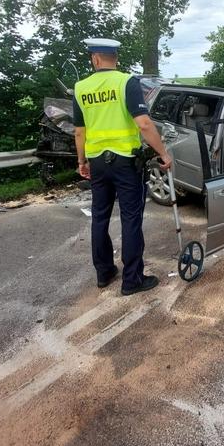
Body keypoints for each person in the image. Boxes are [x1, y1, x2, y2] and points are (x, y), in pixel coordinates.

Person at [73, 38, 172, 293]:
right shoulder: (126, 82)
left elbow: (79, 132)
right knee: (130, 219)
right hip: (125, 162)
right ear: (115, 58)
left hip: (97, 162)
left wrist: (81, 161)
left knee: (100, 217)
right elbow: (144, 124)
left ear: (95, 59)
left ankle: (104, 273)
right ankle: (132, 281)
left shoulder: (81, 88)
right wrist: (163, 154)